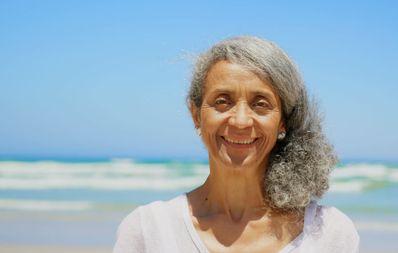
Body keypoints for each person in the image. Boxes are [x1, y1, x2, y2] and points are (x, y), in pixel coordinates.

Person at [113, 36, 359, 253]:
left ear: (283, 121)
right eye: (223, 101)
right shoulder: (149, 231)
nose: (240, 121)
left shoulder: (329, 233)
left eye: (260, 103)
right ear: (196, 114)